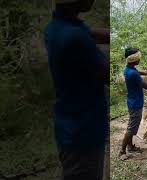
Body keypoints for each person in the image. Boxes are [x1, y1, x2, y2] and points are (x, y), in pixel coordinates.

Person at [44, 0, 109, 179]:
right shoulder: (76, 38)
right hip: (84, 134)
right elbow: (108, 75)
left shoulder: (54, 28)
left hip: (69, 126)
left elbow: (89, 33)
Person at [119, 47, 147, 160]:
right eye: (138, 58)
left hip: (133, 102)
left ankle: (130, 147)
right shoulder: (133, 74)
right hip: (135, 104)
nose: (140, 59)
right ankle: (122, 151)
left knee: (132, 126)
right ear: (134, 59)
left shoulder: (129, 69)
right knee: (131, 129)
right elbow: (146, 85)